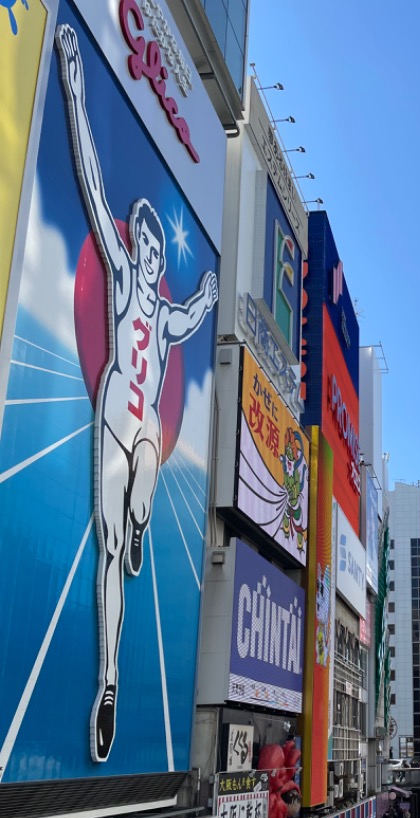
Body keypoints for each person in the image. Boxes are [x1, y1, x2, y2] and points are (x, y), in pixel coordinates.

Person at [57, 26, 218, 763]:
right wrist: (73, 82)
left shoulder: (164, 306)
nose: (152, 254)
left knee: (143, 495)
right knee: (110, 547)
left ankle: (147, 514)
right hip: (114, 419)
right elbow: (91, 182)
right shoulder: (124, 279)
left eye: (157, 251)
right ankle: (111, 679)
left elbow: (190, 316)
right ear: (138, 246)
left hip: (147, 429)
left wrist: (210, 294)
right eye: (146, 244)